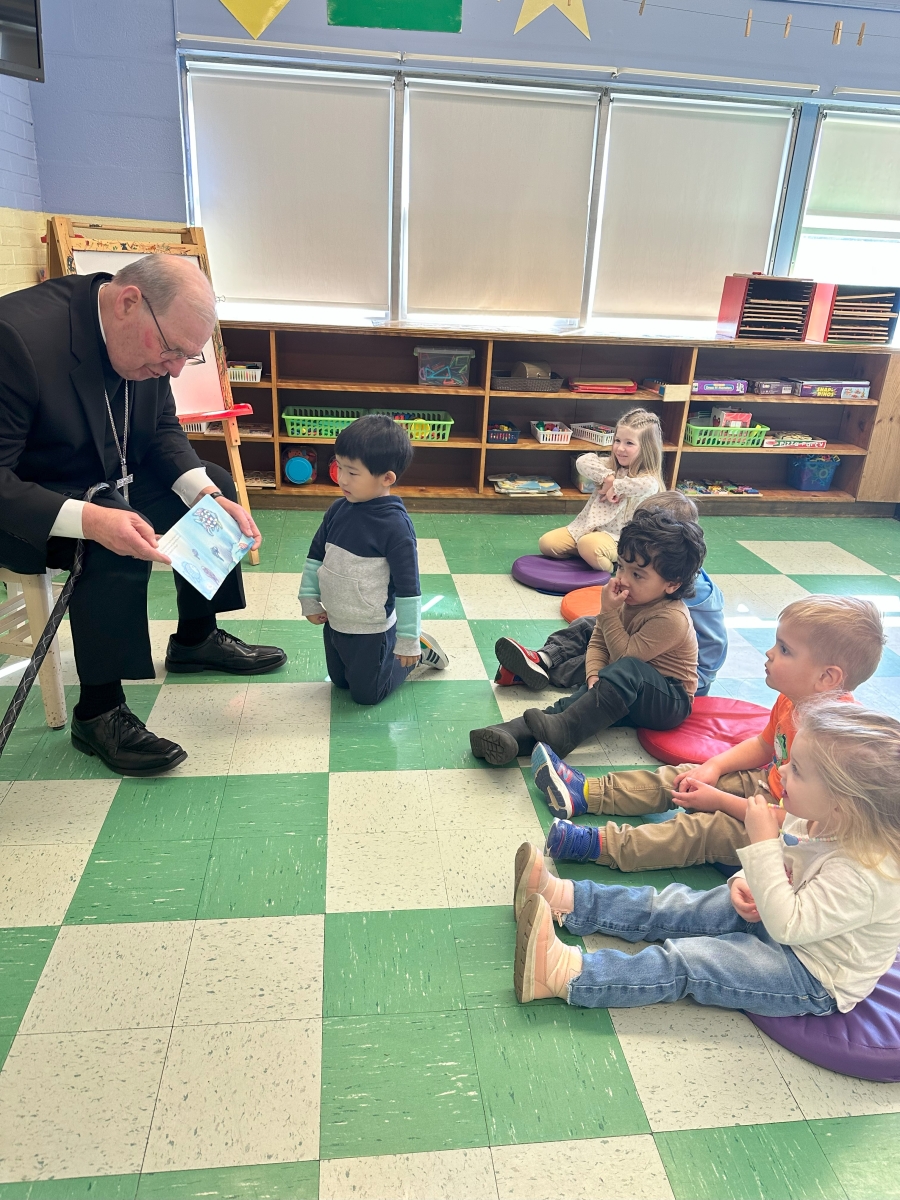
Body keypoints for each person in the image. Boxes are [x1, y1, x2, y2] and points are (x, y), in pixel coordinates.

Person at [0, 254, 286, 777]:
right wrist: (89, 519)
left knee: (213, 486)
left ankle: (196, 639)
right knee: (114, 527)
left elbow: (162, 428)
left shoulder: (148, 339)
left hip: (113, 475)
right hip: (28, 506)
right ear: (129, 302)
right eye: (173, 351)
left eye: (187, 357)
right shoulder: (16, 339)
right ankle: (100, 710)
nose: (176, 368)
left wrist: (203, 493)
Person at [512, 698, 900, 1017]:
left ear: (843, 806)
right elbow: (784, 870)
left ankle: (568, 976)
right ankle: (569, 899)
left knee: (691, 961)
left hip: (811, 972)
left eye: (796, 770)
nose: (781, 770)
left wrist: (761, 844)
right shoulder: (817, 817)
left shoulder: (868, 874)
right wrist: (743, 882)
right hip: (780, 913)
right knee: (674, 904)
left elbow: (788, 927)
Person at [536, 595, 884, 874]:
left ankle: (598, 845)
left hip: (784, 835)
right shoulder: (792, 700)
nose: (769, 652)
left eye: (785, 650)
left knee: (701, 832)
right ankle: (583, 793)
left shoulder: (836, 742)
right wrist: (713, 768)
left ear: (828, 678)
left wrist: (719, 801)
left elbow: (801, 824)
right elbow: (764, 745)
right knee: (684, 776)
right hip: (770, 789)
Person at [470, 508, 704, 765]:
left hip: (668, 702)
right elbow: (600, 639)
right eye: (622, 567)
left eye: (637, 574)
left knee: (622, 671)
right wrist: (594, 674)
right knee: (577, 704)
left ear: (672, 584)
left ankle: (563, 732)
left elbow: (624, 657)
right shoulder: (637, 596)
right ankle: (509, 735)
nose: (623, 579)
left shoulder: (671, 617)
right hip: (630, 687)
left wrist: (608, 612)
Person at [495, 490, 726, 697]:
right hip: (643, 641)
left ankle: (542, 673)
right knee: (589, 624)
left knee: (601, 657)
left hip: (667, 673)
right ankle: (542, 658)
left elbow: (626, 656)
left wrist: (609, 617)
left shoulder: (686, 591)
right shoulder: (657, 576)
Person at [299, 414, 447, 706]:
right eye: (338, 467)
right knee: (340, 683)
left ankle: (417, 654)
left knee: (367, 696)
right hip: (337, 621)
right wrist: (309, 598)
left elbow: (408, 588)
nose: (341, 478)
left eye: (352, 473)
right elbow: (315, 556)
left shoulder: (396, 526)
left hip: (372, 629)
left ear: (387, 478)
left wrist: (407, 638)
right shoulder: (337, 510)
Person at [537, 408, 664, 573]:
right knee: (547, 544)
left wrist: (615, 486)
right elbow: (582, 461)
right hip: (587, 528)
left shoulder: (647, 479)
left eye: (629, 443)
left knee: (588, 545)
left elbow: (650, 485)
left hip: (619, 539)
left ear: (647, 448)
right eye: (617, 440)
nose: (620, 448)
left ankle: (616, 568)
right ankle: (589, 553)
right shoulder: (610, 468)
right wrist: (608, 478)